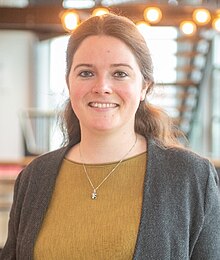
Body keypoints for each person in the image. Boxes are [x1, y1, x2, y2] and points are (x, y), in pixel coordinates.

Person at [1, 13, 220, 260]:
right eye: (86, 73)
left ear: (144, 87)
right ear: (68, 82)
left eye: (120, 74)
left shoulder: (191, 177)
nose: (102, 86)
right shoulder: (34, 177)